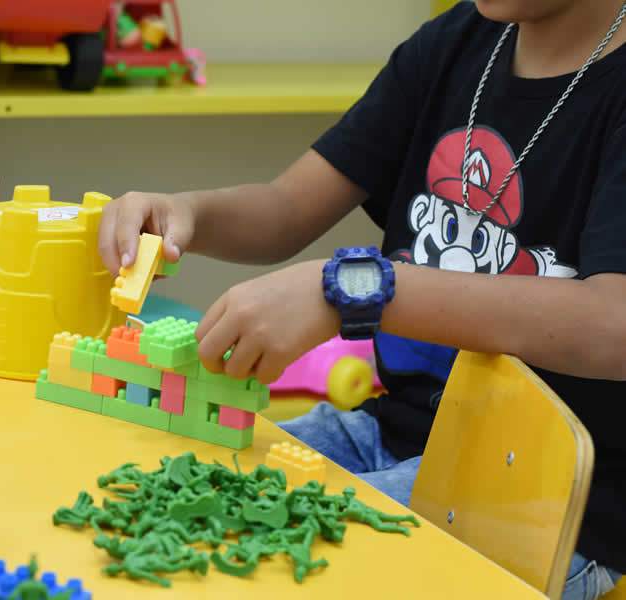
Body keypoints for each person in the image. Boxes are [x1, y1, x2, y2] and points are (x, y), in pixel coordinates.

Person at [97, 1, 626, 598]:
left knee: (258, 572)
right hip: (393, 433)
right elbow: (287, 210)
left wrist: (357, 289)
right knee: (161, 500)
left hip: (552, 496)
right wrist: (185, 212)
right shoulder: (457, 42)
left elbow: (613, 326)